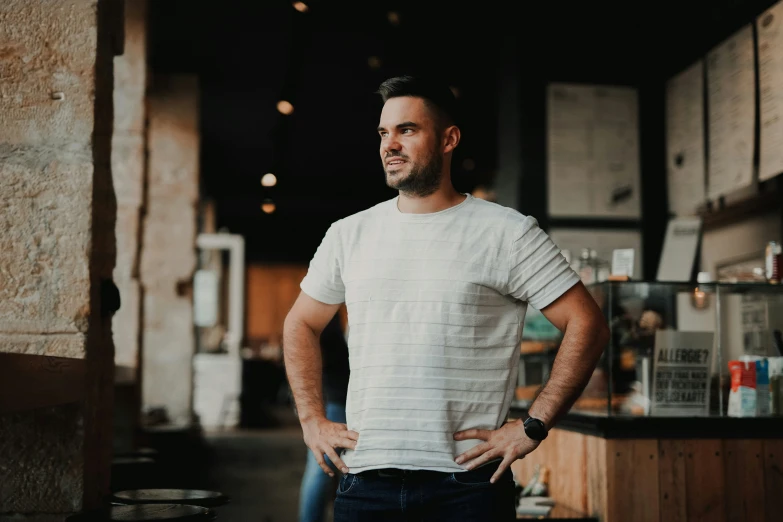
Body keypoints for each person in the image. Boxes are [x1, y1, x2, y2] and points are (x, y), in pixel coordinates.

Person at [283, 75, 609, 521]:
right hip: (365, 482)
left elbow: (587, 322)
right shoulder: (348, 234)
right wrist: (311, 420)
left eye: (407, 130)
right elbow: (300, 323)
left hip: (467, 486)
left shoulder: (507, 232)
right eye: (383, 133)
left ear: (449, 139)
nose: (389, 144)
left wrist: (534, 425)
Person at [297, 312, 350, 522]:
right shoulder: (324, 312)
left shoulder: (335, 314)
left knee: (326, 469)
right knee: (322, 468)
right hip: (334, 399)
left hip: (343, 397)